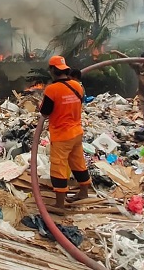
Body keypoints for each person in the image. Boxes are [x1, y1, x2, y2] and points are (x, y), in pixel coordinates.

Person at [38, 55, 91, 208]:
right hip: (76, 132)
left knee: (58, 167)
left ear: (52, 70)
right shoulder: (77, 86)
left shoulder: (52, 89)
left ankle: (60, 204)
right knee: (78, 162)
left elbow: (45, 112)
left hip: (61, 135)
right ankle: (84, 192)